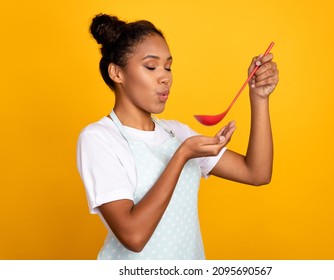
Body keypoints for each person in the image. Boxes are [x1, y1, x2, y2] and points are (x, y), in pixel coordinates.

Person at [77, 13, 279, 260]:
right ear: (117, 73)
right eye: (151, 67)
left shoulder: (177, 132)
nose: (165, 77)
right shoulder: (99, 139)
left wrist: (259, 98)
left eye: (168, 66)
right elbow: (133, 236)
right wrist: (182, 155)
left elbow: (256, 173)